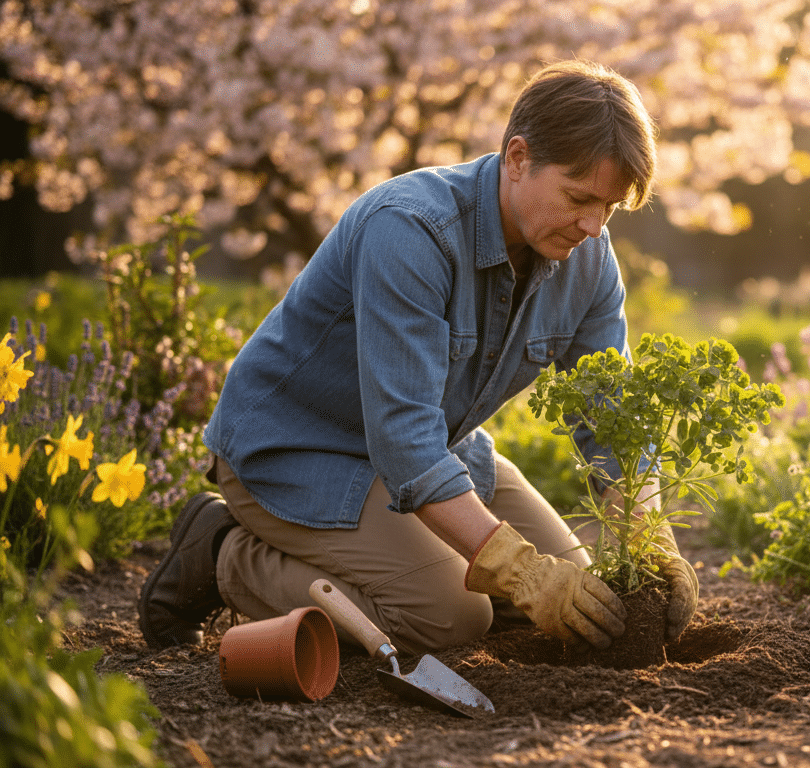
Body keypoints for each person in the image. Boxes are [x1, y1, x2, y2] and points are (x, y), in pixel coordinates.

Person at [137, 60, 698, 655]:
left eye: (608, 208)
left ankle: (397, 563)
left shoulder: (587, 255)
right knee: (450, 618)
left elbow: (611, 416)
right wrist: (517, 569)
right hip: (297, 454)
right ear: (517, 159)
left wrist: (648, 533)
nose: (593, 225)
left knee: (586, 598)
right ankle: (223, 550)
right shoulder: (411, 230)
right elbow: (404, 439)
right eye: (579, 197)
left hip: (436, 452)